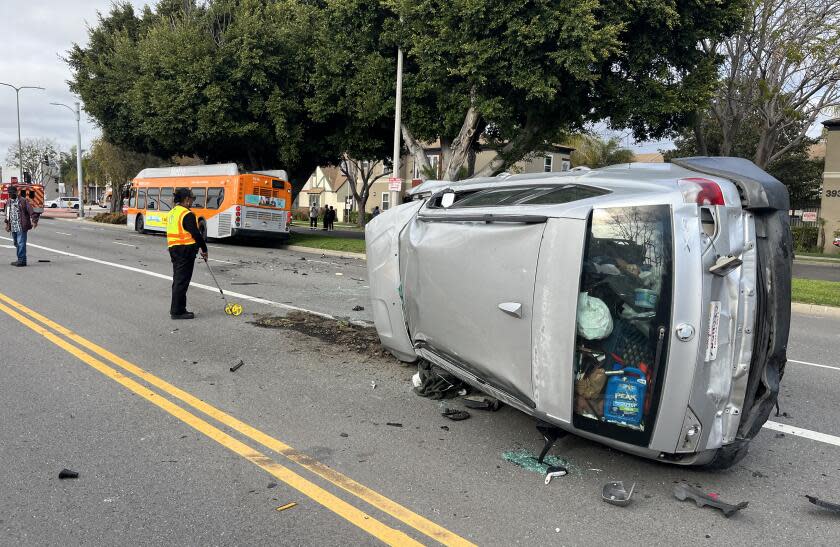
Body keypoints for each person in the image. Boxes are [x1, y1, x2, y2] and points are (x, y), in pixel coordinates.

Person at [167, 188, 208, 320]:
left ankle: (179, 308)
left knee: (178, 280)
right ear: (186, 199)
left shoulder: (173, 212)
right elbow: (196, 233)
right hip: (185, 251)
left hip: (174, 249)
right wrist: (204, 248)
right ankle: (177, 311)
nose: (192, 201)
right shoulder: (187, 214)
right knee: (182, 281)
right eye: (191, 199)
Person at [3, 185, 39, 267]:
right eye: (9, 193)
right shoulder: (8, 202)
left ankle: (22, 261)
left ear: (16, 192)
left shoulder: (23, 201)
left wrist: (34, 220)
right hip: (13, 226)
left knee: (21, 243)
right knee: (16, 243)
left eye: (12, 193)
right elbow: (7, 214)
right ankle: (20, 259)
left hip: (21, 226)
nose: (10, 195)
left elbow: (31, 211)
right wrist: (7, 224)